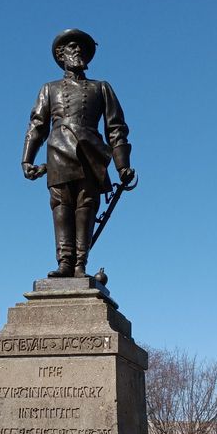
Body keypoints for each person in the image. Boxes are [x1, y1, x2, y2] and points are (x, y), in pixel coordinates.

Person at [22, 29, 136, 278]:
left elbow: (116, 129)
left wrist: (122, 166)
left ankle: (80, 264)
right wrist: (27, 159)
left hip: (90, 153)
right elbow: (37, 125)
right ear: (61, 56)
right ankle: (64, 262)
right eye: (72, 48)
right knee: (61, 206)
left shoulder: (101, 88)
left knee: (86, 206)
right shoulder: (49, 89)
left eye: (81, 49)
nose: (78, 53)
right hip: (58, 152)